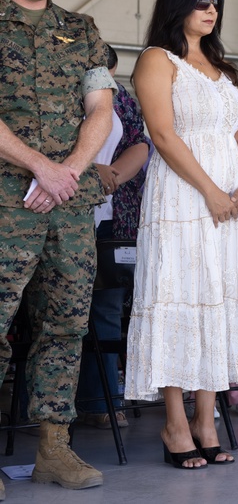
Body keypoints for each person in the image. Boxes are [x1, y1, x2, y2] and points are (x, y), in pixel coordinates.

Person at [127, 0, 238, 468]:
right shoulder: (157, 60)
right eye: (202, 0)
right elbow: (162, 135)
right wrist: (210, 192)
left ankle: (207, 422)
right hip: (183, 201)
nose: (212, 9)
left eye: (216, 1)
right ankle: (175, 424)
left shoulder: (224, 71)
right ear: (177, 4)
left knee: (216, 302)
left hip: (228, 204)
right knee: (178, 300)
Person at [0, 0, 114, 492]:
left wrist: (66, 171)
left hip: (67, 202)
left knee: (67, 322)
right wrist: (40, 166)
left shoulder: (82, 28)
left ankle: (54, 446)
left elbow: (100, 108)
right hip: (6, 199)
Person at [77, 46, 151, 429]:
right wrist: (91, 170)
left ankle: (101, 402)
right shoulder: (57, 85)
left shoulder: (121, 97)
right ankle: (33, 408)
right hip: (61, 207)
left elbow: (139, 141)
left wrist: (114, 175)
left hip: (111, 214)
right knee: (52, 312)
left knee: (105, 308)